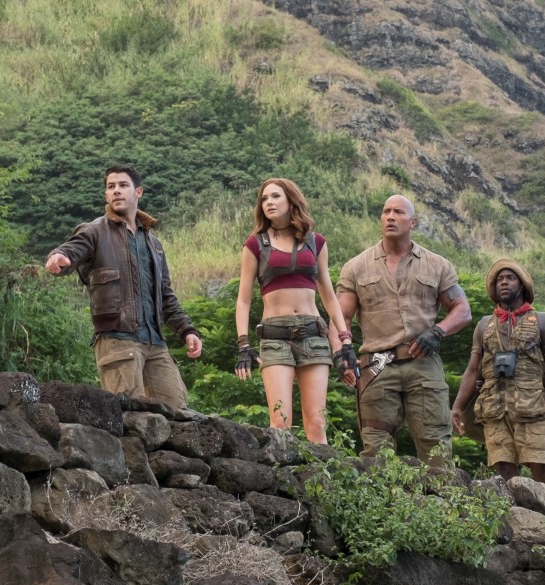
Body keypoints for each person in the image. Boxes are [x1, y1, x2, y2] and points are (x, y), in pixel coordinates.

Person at [44, 165, 203, 408]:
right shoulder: (94, 231)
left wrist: (187, 330)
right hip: (117, 341)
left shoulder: (153, 243)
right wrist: (59, 258)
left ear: (138, 192)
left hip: (155, 343)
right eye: (111, 187)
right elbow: (71, 250)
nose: (116, 191)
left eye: (123, 185)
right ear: (106, 195)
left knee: (177, 412)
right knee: (130, 418)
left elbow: (165, 295)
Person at [336, 194, 471, 463]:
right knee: (376, 449)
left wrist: (437, 331)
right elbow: (340, 318)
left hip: (422, 360)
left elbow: (462, 310)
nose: (390, 217)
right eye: (386, 211)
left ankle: (441, 502)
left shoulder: (437, 264)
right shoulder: (356, 267)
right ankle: (382, 504)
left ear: (413, 222)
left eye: (398, 212)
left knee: (436, 444)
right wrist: (342, 354)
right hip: (376, 365)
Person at [233, 177, 359, 445]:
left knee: (317, 421)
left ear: (291, 201)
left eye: (276, 196)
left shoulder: (316, 243)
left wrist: (345, 339)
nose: (269, 202)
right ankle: (281, 485)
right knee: (280, 422)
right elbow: (243, 299)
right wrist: (243, 343)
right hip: (275, 335)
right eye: (264, 199)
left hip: (313, 335)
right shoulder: (255, 244)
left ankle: (322, 485)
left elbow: (328, 294)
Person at [450, 259, 545, 488]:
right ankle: (511, 520)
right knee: (503, 471)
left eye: (510, 278)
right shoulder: (484, 325)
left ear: (522, 285)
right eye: (499, 279)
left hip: (533, 407)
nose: (504, 282)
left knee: (541, 468)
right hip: (494, 408)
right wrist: (457, 407)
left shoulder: (542, 321)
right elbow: (473, 369)